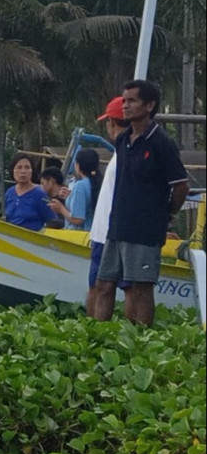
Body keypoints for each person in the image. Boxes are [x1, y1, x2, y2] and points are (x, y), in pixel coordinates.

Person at [92, 80, 190, 327]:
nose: (125, 105)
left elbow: (181, 186)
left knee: (140, 288)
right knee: (104, 283)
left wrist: (167, 215)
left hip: (145, 229)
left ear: (149, 105)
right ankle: (98, 334)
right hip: (117, 226)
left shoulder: (161, 142)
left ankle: (140, 338)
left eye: (132, 101)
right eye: (124, 100)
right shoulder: (123, 139)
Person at [87, 98, 128, 307]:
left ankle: (95, 324)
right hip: (106, 231)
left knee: (100, 286)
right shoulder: (122, 152)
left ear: (111, 122)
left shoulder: (124, 153)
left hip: (110, 232)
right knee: (102, 286)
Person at [4, 155, 58, 232]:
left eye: (27, 167)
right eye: (19, 167)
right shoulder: (9, 192)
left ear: (32, 171)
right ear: (13, 171)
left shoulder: (39, 194)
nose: (23, 171)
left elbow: (52, 221)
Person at [61, 149, 100, 232]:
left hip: (79, 233)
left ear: (78, 165)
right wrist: (71, 196)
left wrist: (60, 208)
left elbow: (78, 219)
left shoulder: (80, 186)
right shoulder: (98, 183)